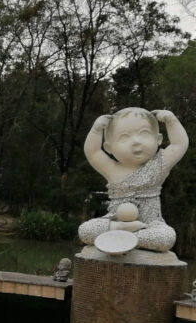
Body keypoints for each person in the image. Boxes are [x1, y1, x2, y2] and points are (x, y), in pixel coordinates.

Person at [79, 107, 188, 254]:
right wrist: (96, 130)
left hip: (148, 224)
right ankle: (120, 230)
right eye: (124, 137)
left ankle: (132, 237)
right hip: (115, 220)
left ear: (158, 140)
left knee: (166, 237)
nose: (136, 141)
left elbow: (178, 145)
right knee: (85, 231)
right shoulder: (112, 169)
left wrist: (172, 120)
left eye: (144, 134)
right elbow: (93, 152)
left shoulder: (159, 165)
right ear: (109, 148)